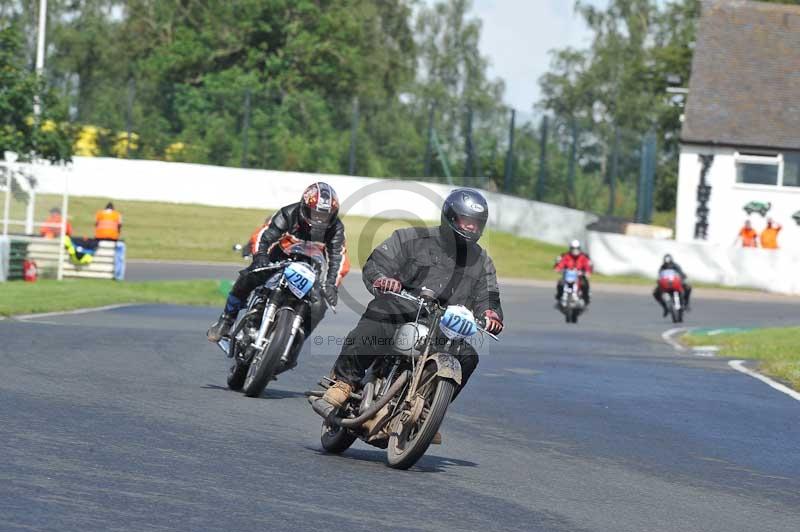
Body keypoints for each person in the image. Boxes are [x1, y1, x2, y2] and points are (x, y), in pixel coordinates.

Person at [320, 188, 504, 412]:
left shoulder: (482, 261)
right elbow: (378, 262)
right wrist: (383, 279)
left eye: (476, 223)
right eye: (466, 221)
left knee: (468, 357)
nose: (471, 227)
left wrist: (491, 315)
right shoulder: (411, 238)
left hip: (443, 329)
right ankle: (344, 381)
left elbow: (489, 297)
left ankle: (428, 410)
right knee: (381, 313)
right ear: (451, 217)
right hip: (403, 310)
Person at [207, 182, 348, 345]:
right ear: (305, 207)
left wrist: (331, 284)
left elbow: (339, 258)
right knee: (248, 277)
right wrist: (260, 256)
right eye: (315, 213)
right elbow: (264, 235)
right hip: (279, 259)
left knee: (320, 305)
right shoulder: (289, 213)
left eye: (325, 216)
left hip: (310, 269)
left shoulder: (336, 228)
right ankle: (226, 320)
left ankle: (295, 342)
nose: (319, 220)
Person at [554, 239, 592, 304]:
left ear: (579, 249)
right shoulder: (565, 256)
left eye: (576, 249)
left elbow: (588, 266)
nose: (575, 251)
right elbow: (560, 263)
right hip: (567, 276)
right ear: (570, 248)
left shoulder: (584, 257)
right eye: (573, 249)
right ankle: (559, 296)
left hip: (579, 276)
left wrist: (587, 272)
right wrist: (558, 268)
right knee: (560, 283)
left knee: (584, 284)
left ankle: (586, 298)